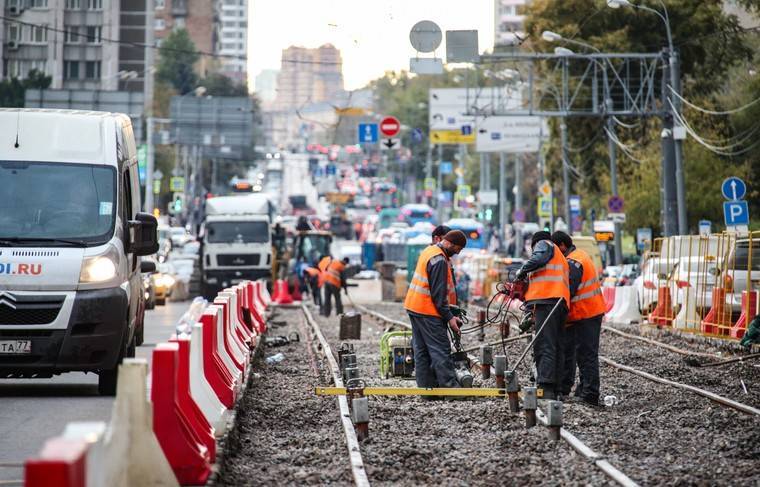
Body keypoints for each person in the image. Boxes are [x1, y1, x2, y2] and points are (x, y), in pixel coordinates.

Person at [404, 230, 467, 389]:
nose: (456, 254)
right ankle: (451, 388)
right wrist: (450, 319)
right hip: (427, 311)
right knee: (440, 349)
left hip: (415, 308)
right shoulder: (439, 260)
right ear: (450, 244)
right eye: (457, 250)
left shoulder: (429, 251)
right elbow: (439, 297)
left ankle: (427, 389)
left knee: (421, 350)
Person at [552, 231, 606, 406]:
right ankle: (583, 389)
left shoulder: (573, 262)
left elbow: (568, 290)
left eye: (555, 250)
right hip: (587, 313)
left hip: (587, 313)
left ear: (562, 246)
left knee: (586, 354)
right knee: (581, 353)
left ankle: (590, 393)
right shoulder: (580, 255)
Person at [515, 231, 570, 401]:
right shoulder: (559, 255)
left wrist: (521, 271)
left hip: (547, 301)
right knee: (556, 344)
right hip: (558, 302)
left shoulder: (544, 244)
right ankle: (557, 388)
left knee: (544, 344)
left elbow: (538, 259)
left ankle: (545, 386)